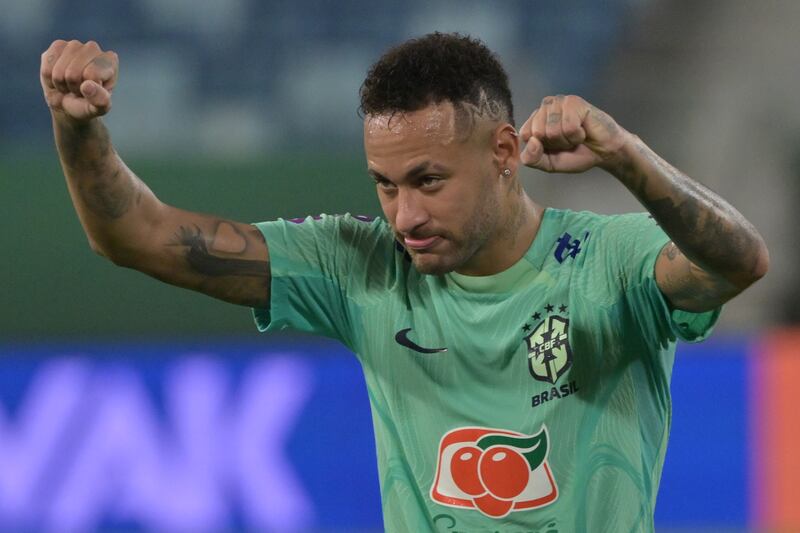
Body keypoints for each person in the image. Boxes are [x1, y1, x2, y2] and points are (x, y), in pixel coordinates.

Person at [40, 33, 768, 532]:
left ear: (505, 151)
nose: (405, 215)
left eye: (428, 180)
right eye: (385, 186)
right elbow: (139, 236)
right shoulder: (358, 265)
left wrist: (629, 156)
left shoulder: (610, 260)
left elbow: (739, 261)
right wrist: (78, 130)